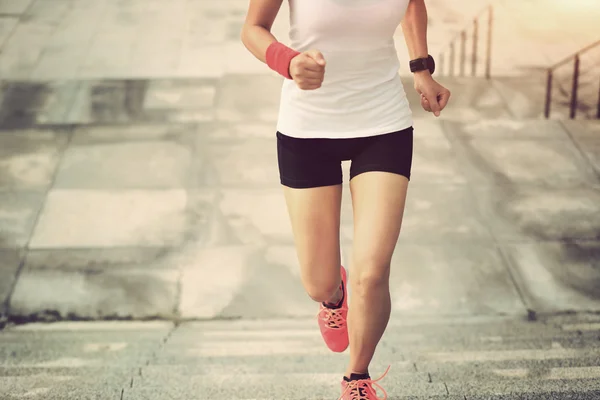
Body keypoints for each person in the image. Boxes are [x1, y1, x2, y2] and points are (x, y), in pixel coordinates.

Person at [241, 0, 450, 398]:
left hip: (383, 122)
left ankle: (357, 379)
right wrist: (288, 62)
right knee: (318, 283)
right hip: (307, 129)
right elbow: (252, 27)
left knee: (371, 273)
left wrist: (421, 69)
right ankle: (334, 297)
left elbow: (412, 6)